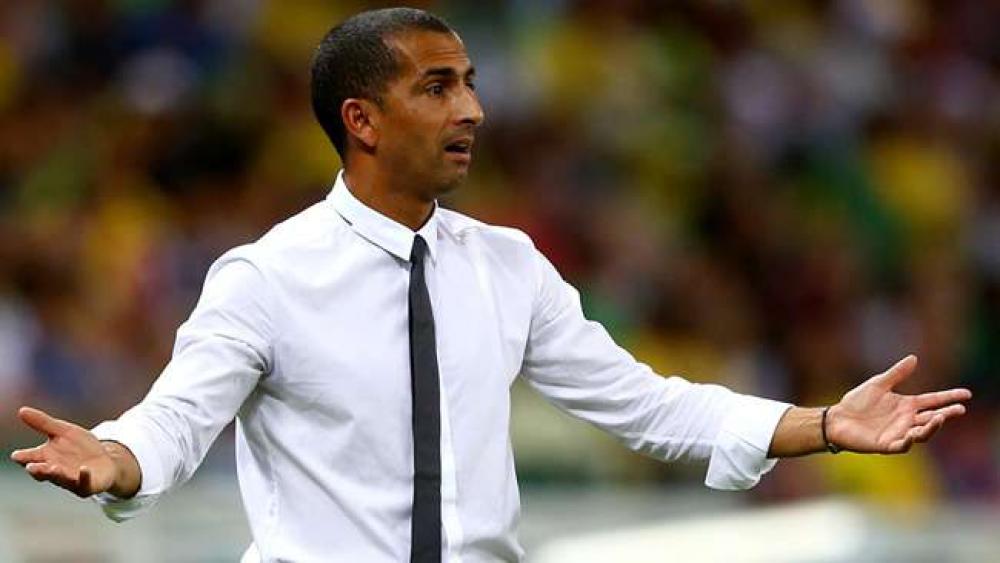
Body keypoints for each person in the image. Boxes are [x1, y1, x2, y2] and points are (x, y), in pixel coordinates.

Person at [9, 7, 972, 563]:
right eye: (437, 87)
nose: (471, 107)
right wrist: (116, 456)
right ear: (362, 120)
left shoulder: (509, 264)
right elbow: (175, 421)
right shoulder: (266, 276)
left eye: (469, 81)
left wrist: (822, 422)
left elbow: (644, 404)